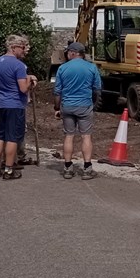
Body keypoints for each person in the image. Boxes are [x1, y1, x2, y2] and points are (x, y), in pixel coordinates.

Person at [0, 35, 37, 180]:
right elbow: (23, 89)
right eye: (22, 48)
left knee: (0, 135)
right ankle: (9, 169)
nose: (23, 51)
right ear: (13, 47)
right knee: (12, 138)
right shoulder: (18, 65)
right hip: (15, 104)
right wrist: (31, 81)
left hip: (2, 103)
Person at [53, 42, 102, 180]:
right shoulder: (91, 67)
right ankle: (87, 168)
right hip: (84, 105)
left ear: (73, 53)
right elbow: (97, 89)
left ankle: (68, 167)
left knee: (69, 136)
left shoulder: (62, 68)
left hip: (67, 106)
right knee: (86, 136)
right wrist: (92, 103)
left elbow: (57, 91)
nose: (67, 55)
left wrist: (57, 108)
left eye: (68, 52)